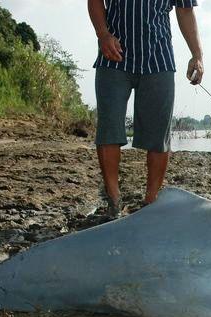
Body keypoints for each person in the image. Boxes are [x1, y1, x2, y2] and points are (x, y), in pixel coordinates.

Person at [87, 0, 204, 219]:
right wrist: (102, 34)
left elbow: (186, 10)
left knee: (159, 136)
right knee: (109, 129)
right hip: (114, 56)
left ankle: (151, 202)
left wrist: (197, 56)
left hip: (158, 59)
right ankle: (113, 201)